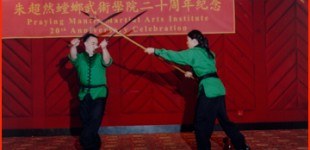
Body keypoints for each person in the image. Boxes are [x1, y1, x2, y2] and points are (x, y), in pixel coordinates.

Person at [144, 30, 250, 150]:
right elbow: (206, 67)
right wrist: (193, 72)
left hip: (208, 90)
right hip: (218, 88)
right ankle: (242, 146)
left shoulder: (193, 52)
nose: (186, 42)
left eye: (188, 40)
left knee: (201, 125)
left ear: (194, 41)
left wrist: (155, 51)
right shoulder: (209, 53)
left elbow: (176, 56)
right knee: (225, 121)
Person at [69, 33, 112, 150]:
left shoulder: (100, 56)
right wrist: (73, 46)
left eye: (96, 43)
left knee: (95, 119)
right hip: (84, 94)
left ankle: (85, 143)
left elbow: (107, 62)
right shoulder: (80, 57)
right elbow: (73, 56)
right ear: (86, 43)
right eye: (93, 43)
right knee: (86, 121)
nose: (95, 45)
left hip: (99, 93)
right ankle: (95, 145)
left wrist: (104, 48)